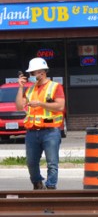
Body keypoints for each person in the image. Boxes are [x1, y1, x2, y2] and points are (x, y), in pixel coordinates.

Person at [15, 57, 66, 190]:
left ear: (42, 72)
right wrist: (20, 88)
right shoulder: (30, 89)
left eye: (33, 73)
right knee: (31, 163)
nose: (31, 76)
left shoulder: (55, 87)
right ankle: (37, 183)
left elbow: (60, 106)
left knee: (52, 163)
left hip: (50, 131)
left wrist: (41, 104)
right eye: (30, 73)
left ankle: (50, 187)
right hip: (32, 132)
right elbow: (20, 107)